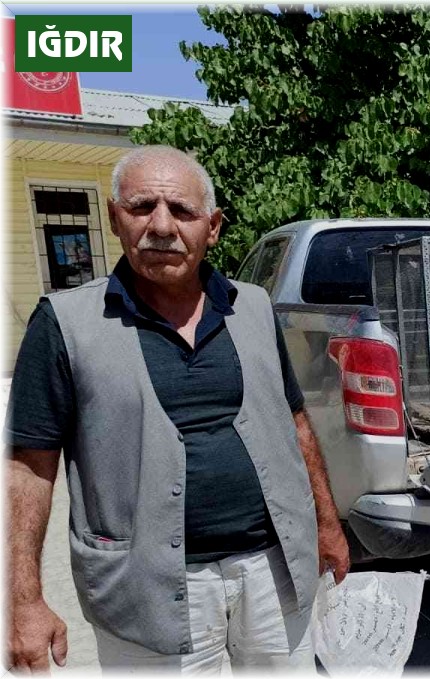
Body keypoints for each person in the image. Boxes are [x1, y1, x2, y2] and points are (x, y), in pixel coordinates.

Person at [5, 145, 350, 673]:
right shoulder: (64, 323)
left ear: (212, 228)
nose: (162, 226)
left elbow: (295, 421)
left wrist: (328, 526)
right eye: (143, 207)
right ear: (115, 218)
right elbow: (28, 469)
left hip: (272, 572)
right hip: (146, 589)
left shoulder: (252, 305)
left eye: (183, 212)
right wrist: (22, 598)